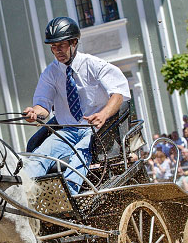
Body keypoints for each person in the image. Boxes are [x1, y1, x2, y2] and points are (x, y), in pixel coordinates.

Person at [23, 16, 131, 192]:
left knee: (82, 152)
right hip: (68, 130)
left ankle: (69, 193)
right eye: (53, 47)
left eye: (61, 46)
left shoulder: (94, 65)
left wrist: (103, 114)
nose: (57, 51)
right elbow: (43, 105)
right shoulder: (50, 73)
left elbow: (118, 94)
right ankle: (27, 194)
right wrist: (34, 112)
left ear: (74, 43)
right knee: (39, 155)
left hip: (96, 130)